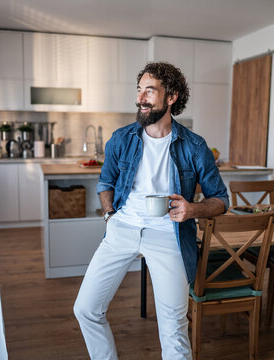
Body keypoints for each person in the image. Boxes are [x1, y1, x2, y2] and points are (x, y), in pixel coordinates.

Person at [73, 62, 229, 360]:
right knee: (86, 309)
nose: (140, 98)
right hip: (122, 228)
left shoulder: (195, 146)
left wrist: (192, 208)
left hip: (168, 233)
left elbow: (221, 200)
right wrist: (110, 216)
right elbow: (105, 182)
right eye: (139, 90)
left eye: (149, 90)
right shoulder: (122, 138)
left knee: (173, 326)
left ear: (171, 97)